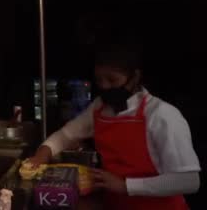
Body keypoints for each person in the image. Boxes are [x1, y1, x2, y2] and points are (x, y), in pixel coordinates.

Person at [29, 36, 200, 210]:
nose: (105, 87)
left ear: (134, 77)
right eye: (99, 80)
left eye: (112, 80)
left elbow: (189, 180)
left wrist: (125, 186)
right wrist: (44, 152)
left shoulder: (162, 115)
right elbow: (66, 135)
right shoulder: (99, 108)